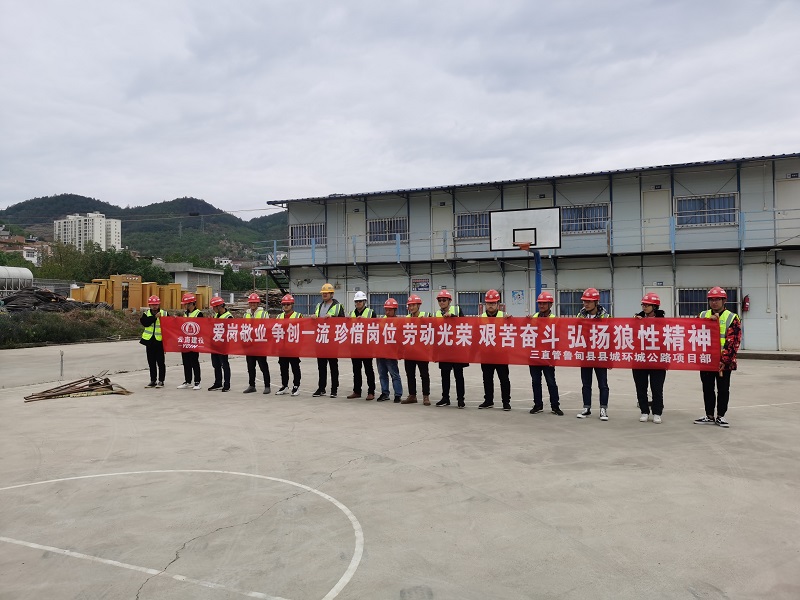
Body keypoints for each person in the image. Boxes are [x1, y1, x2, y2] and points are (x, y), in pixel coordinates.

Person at [694, 287, 742, 428]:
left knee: (723, 389)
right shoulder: (702, 315)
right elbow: (694, 332)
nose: (714, 302)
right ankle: (709, 415)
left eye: (717, 299)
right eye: (712, 300)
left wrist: (724, 360)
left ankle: (721, 415)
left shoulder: (732, 317)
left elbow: (733, 342)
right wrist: (708, 321)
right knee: (707, 388)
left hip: (723, 363)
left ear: (724, 300)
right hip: (707, 361)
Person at [576, 287, 611, 421]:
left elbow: (611, 337)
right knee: (586, 383)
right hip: (585, 355)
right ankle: (586, 408)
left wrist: (610, 357)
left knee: (603, 384)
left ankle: (603, 409)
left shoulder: (606, 317)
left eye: (589, 301)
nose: (586, 304)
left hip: (600, 355)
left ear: (596, 302)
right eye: (584, 301)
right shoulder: (580, 316)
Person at [633, 292, 666, 423]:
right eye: (643, 305)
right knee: (641, 387)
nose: (644, 307)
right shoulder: (637, 319)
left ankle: (657, 412)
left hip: (657, 359)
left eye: (647, 305)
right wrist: (635, 323)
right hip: (640, 358)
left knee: (657, 387)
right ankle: (644, 411)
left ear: (655, 307)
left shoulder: (663, 321)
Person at [528, 291, 563, 416]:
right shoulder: (533, 318)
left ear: (550, 304)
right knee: (535, 382)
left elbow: (558, 338)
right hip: (534, 355)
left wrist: (554, 356)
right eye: (540, 303)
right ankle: (538, 405)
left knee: (551, 381)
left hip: (548, 355)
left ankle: (555, 406)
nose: (541, 305)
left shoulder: (555, 319)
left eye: (544, 303)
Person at [434, 289, 469, 409]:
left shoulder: (457, 310)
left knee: (458, 375)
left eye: (444, 300)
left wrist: (452, 317)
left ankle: (460, 399)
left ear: (449, 301)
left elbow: (465, 324)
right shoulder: (437, 314)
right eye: (440, 300)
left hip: (457, 348)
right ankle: (445, 398)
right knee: (445, 375)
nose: (442, 302)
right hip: (444, 348)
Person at [478, 289, 512, 411]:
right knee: (487, 379)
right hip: (486, 354)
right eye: (489, 303)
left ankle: (506, 402)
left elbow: (514, 331)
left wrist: (511, 320)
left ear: (498, 304)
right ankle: (488, 400)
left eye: (493, 303)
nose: (491, 305)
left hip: (501, 354)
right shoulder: (480, 318)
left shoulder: (505, 316)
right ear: (485, 304)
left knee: (504, 379)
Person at [312, 283, 346, 398]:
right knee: (321, 366)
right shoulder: (319, 306)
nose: (324, 295)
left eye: (326, 293)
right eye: (323, 293)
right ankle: (321, 388)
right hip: (321, 339)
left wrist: (333, 318)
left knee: (333, 366)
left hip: (332, 340)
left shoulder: (338, 306)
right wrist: (314, 317)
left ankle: (334, 389)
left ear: (332, 294)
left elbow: (343, 322)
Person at [347, 291, 377, 400]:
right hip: (355, 346)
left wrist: (365, 321)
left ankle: (371, 392)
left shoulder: (371, 312)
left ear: (364, 301)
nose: (358, 303)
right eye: (356, 301)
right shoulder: (351, 314)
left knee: (368, 370)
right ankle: (357, 391)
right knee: (356, 370)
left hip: (367, 346)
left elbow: (375, 326)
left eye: (360, 301)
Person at [401, 294, 431, 405]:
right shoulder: (406, 318)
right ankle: (412, 395)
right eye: (410, 305)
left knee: (424, 374)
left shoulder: (427, 316)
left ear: (419, 305)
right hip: (409, 351)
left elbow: (434, 328)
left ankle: (426, 396)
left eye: (413, 305)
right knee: (410, 374)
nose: (411, 307)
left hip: (422, 351)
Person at [243, 292, 271, 394]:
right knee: (250, 366)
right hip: (249, 344)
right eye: (251, 302)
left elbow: (267, 328)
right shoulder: (246, 314)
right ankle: (252, 385)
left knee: (263, 366)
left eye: (254, 302)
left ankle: (267, 386)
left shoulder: (263, 313)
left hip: (260, 344)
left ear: (258, 303)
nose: (252, 304)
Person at [376, 298, 403, 402]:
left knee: (394, 374)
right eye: (386, 310)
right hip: (381, 352)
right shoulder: (381, 321)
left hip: (391, 353)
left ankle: (398, 394)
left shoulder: (399, 322)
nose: (387, 312)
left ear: (395, 310)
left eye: (390, 310)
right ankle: (385, 393)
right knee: (382, 374)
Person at [275, 294, 302, 396]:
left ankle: (296, 386)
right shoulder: (279, 317)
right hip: (282, 347)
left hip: (293, 347)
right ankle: (284, 385)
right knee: (283, 367)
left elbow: (302, 331)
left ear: (292, 305)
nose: (286, 306)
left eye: (288, 304)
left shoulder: (298, 316)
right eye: (284, 304)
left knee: (295, 367)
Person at [177, 293, 203, 390]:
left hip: (194, 341)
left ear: (191, 303)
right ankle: (187, 381)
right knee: (186, 361)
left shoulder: (199, 314)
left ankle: (197, 382)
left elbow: (201, 327)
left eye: (186, 304)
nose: (185, 306)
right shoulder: (186, 313)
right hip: (185, 341)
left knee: (194, 361)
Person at [140, 295, 167, 388]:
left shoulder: (164, 313)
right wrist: (155, 317)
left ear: (159, 304)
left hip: (160, 341)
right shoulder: (146, 314)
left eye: (156, 304)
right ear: (149, 305)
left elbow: (170, 325)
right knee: (151, 362)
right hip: (149, 341)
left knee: (161, 362)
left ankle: (161, 380)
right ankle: (153, 380)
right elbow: (145, 323)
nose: (154, 306)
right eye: (152, 305)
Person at [208, 296, 232, 392]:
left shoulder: (228, 317)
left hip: (223, 345)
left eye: (214, 307)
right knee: (216, 364)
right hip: (215, 344)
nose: (213, 309)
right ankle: (218, 383)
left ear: (219, 306)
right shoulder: (216, 316)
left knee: (224, 364)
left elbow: (230, 331)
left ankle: (227, 384)